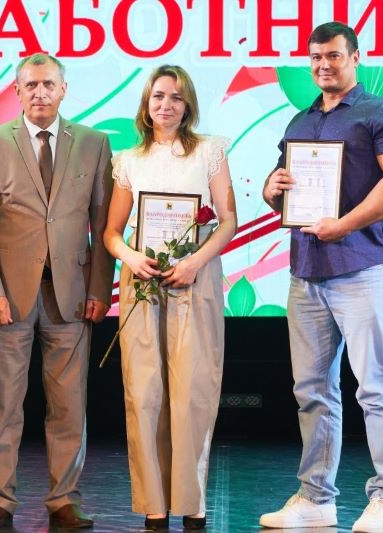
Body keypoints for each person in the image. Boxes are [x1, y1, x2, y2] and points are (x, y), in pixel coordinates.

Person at [258, 22, 383, 533]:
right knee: (312, 390)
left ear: (354, 58)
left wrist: (344, 225)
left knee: (375, 387)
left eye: (333, 56)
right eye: (315, 58)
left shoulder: (381, 113)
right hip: (306, 271)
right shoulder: (300, 120)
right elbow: (283, 189)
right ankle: (316, 498)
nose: (323, 65)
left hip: (362, 267)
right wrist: (272, 189)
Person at [0, 53, 115, 529]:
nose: (40, 93)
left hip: (72, 294)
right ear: (16, 91)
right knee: (4, 404)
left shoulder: (94, 143)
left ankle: (64, 499)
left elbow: (102, 223)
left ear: (63, 89)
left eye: (48, 84)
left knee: (69, 405)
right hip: (7, 297)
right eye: (30, 85)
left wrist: (100, 287)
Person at [103, 65, 237, 531]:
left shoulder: (209, 151)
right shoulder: (128, 160)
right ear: (146, 103)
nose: (166, 105)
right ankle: (155, 506)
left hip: (194, 278)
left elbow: (228, 221)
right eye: (158, 96)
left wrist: (194, 262)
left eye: (176, 97)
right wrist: (130, 257)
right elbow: (112, 232)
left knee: (192, 393)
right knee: (144, 394)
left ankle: (192, 504)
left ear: (188, 105)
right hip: (142, 281)